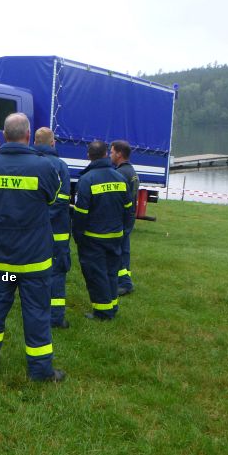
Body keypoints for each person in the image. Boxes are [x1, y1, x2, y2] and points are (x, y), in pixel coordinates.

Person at [0, 113, 65, 382]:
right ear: (28, 136)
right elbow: (52, 200)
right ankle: (40, 371)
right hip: (34, 257)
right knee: (37, 313)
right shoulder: (44, 167)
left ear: (4, 136)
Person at [73, 140, 134, 321]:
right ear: (106, 154)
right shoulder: (120, 178)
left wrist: (78, 236)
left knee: (96, 275)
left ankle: (103, 312)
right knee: (111, 273)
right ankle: (112, 306)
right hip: (115, 237)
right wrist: (124, 231)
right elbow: (129, 210)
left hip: (93, 238)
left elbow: (80, 214)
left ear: (88, 156)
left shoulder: (86, 180)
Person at [33, 127, 72, 329]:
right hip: (56, 232)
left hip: (32, 232)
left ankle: (35, 310)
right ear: (52, 142)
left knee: (34, 272)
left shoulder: (28, 164)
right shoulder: (60, 166)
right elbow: (63, 199)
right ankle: (56, 318)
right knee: (57, 272)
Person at [110, 140, 139, 296]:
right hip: (129, 217)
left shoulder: (120, 174)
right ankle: (125, 280)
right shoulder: (131, 171)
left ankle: (125, 284)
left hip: (121, 218)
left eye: (112, 151)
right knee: (124, 250)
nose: (110, 154)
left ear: (119, 154)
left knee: (119, 251)